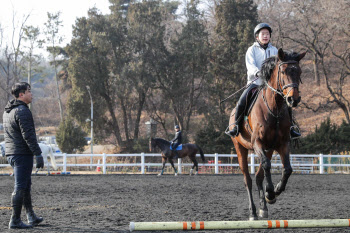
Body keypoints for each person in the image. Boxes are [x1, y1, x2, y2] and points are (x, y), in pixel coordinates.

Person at [227, 23, 301, 139]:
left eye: (267, 34)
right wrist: (257, 72)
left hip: (271, 86)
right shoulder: (251, 50)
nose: (265, 36)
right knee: (242, 100)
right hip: (255, 83)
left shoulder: (275, 50)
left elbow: (279, 67)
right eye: (263, 34)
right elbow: (250, 66)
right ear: (257, 37)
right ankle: (236, 125)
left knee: (286, 103)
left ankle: (291, 128)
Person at [3, 82, 44, 229]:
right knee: (20, 186)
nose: (31, 94)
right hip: (21, 154)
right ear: (21, 94)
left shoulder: (8, 111)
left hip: (13, 153)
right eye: (29, 91)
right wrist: (38, 153)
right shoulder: (22, 111)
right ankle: (15, 220)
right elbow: (29, 136)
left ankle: (31, 216)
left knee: (26, 186)